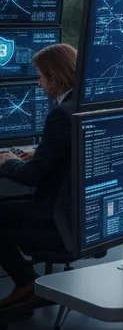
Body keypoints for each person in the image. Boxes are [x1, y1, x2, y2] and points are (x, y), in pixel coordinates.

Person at [0, 42, 78, 310]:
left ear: (54, 76)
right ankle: (29, 284)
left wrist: (6, 161)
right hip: (78, 214)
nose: (39, 84)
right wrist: (42, 153)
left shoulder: (61, 114)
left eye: (41, 77)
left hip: (55, 217)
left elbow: (32, 177)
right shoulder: (83, 105)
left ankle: (27, 283)